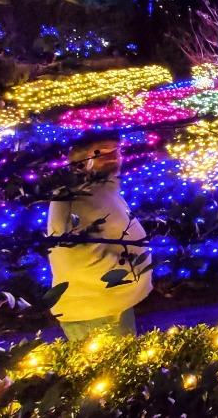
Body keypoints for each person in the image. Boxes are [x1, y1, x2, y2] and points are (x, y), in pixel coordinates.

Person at [47, 134, 152, 340]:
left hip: (111, 305)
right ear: (78, 161)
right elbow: (75, 257)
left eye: (116, 150)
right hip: (95, 312)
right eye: (100, 152)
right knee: (110, 370)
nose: (113, 156)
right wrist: (129, 277)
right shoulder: (73, 198)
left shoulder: (104, 190)